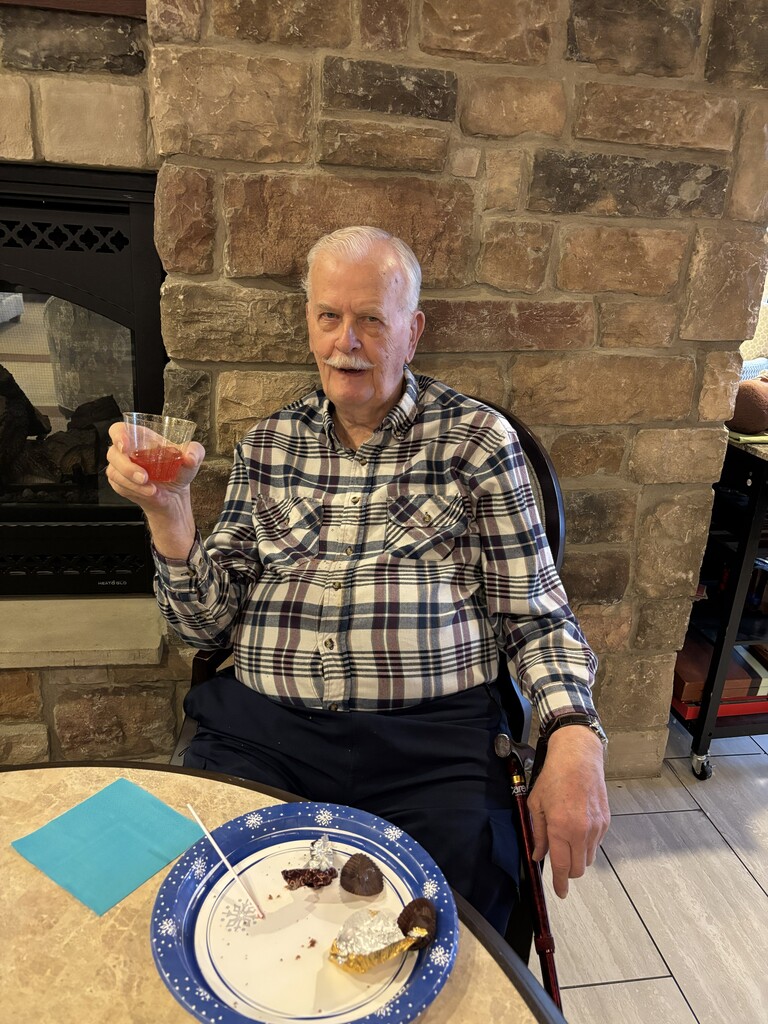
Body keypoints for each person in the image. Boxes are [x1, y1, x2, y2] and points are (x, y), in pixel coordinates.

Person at [106, 225, 610, 949]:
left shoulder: (477, 443)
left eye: (372, 318)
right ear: (310, 326)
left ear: (413, 332)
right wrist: (170, 514)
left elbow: (536, 617)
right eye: (330, 316)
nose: (347, 341)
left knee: (448, 930)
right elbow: (203, 628)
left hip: (431, 745)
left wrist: (574, 735)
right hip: (264, 734)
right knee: (217, 912)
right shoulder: (267, 445)